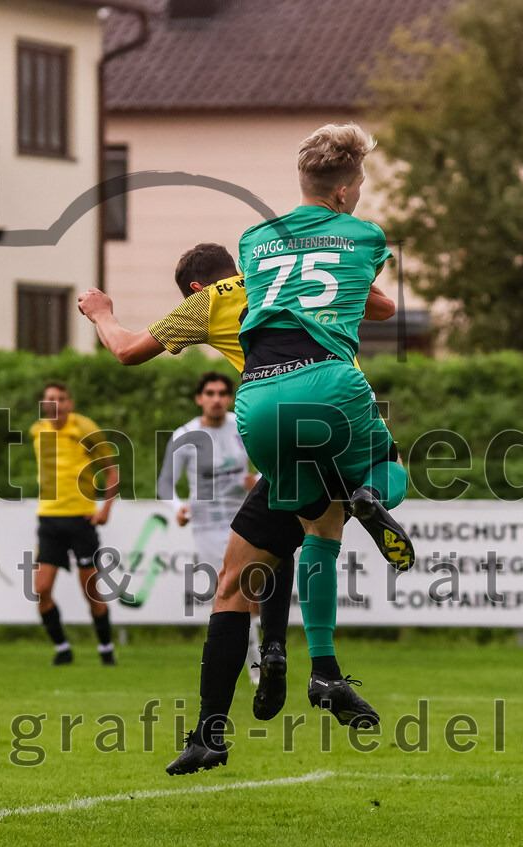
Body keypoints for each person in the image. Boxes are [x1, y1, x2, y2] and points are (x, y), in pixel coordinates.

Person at [78, 241, 411, 774]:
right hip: (338, 404)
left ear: (194, 286)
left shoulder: (207, 301)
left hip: (273, 418)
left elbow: (126, 350)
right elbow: (383, 307)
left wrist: (102, 312)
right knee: (329, 518)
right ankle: (313, 659)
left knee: (236, 584)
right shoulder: (282, 279)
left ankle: (215, 729)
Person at [227, 122, 412, 766]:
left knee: (317, 529)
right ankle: (368, 495)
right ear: (341, 191)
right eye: (359, 183)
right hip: (327, 382)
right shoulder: (365, 235)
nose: (360, 194)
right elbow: (376, 301)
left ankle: (325, 669)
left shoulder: (253, 238)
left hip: (255, 398)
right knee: (390, 473)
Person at [158, 371, 259, 682]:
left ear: (229, 398)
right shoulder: (185, 436)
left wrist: (254, 481)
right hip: (208, 526)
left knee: (252, 592)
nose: (216, 399)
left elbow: (270, 467)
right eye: (210, 393)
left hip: (244, 518)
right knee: (229, 590)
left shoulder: (242, 426)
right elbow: (165, 485)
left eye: (222, 393)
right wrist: (179, 508)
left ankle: (256, 667)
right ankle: (246, 667)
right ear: (200, 398)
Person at [30, 381, 120, 665]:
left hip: (81, 520)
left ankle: (106, 648)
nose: (54, 404)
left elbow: (111, 472)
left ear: (69, 403)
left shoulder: (85, 429)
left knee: (91, 591)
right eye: (49, 399)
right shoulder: (37, 431)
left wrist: (105, 509)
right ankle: (62, 649)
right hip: (49, 520)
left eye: (60, 399)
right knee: (41, 590)